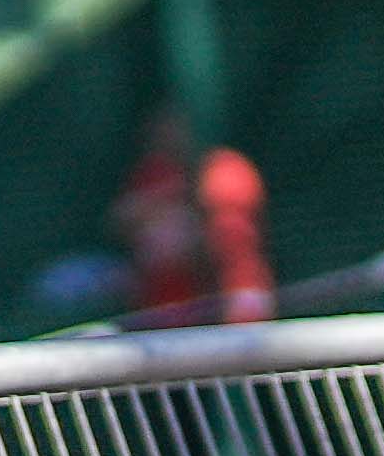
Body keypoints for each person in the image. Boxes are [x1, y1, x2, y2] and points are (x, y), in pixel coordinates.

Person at [113, 107, 273, 325]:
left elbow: (232, 234)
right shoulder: (159, 172)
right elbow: (123, 218)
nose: (171, 134)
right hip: (172, 305)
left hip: (236, 286)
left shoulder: (225, 168)